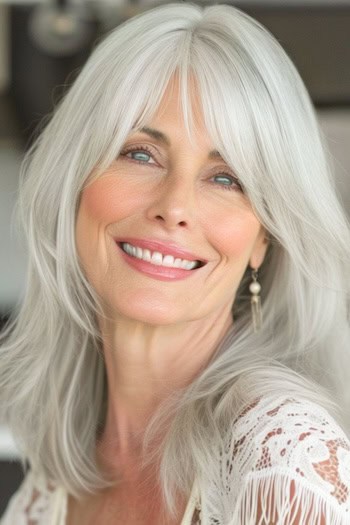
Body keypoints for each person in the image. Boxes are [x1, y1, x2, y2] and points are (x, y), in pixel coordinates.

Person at [1, 2, 350, 524]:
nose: (175, 207)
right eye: (140, 154)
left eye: (226, 178)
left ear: (263, 241)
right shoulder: (49, 485)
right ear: (74, 184)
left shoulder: (283, 462)